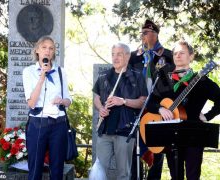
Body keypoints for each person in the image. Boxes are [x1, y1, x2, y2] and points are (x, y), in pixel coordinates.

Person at [146, 39, 220, 180]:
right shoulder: (165, 81)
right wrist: (160, 109)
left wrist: (208, 116)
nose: (178, 56)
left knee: (192, 176)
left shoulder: (202, 81)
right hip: (171, 135)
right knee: (175, 176)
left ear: (191, 56)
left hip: (194, 134)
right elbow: (150, 101)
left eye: (182, 53)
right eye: (175, 53)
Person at [93, 43, 148, 180]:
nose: (115, 57)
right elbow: (96, 98)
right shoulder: (103, 76)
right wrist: (100, 108)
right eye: (113, 54)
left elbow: (142, 101)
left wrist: (123, 101)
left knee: (123, 174)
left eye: (119, 54)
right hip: (105, 130)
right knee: (98, 171)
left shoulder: (137, 77)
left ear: (128, 56)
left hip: (125, 131)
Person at [22, 36, 72, 180]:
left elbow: (69, 100)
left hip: (59, 124)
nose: (47, 51)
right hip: (37, 125)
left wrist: (62, 100)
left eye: (51, 48)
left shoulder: (60, 71)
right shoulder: (29, 72)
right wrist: (42, 77)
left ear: (53, 52)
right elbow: (31, 103)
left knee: (57, 170)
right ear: (37, 50)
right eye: (44, 47)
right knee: (35, 169)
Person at [129, 19, 173, 180]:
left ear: (155, 34)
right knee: (134, 152)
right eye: (142, 33)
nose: (143, 36)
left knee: (157, 151)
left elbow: (172, 85)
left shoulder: (168, 56)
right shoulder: (134, 57)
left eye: (146, 33)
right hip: (136, 110)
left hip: (158, 111)